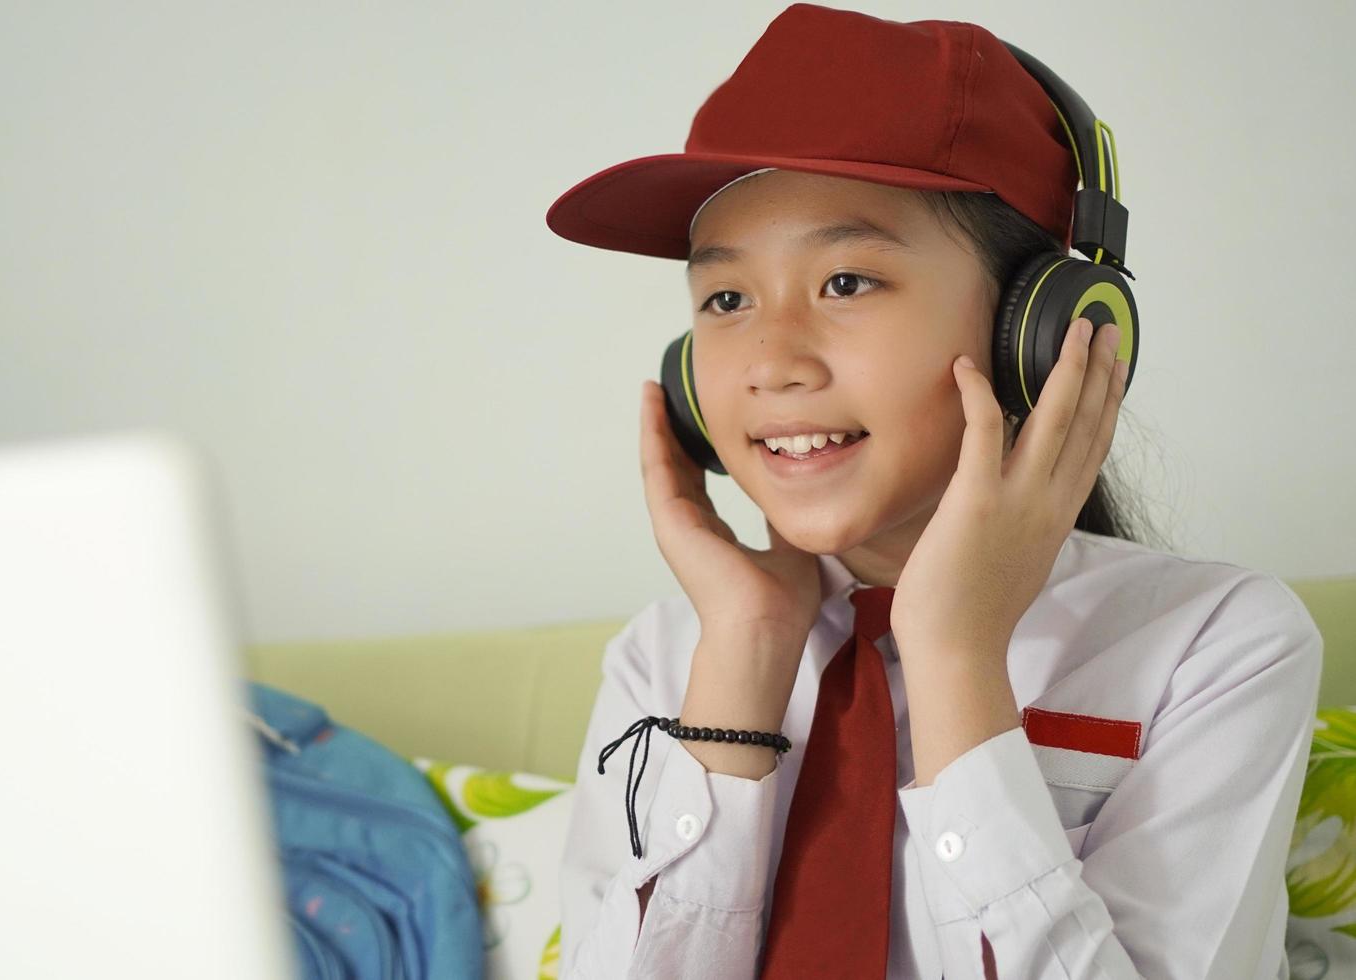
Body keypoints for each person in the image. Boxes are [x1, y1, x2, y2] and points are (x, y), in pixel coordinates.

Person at [542, 5, 1324, 979]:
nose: (768, 363)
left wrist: (955, 656)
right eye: (726, 299)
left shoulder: (1214, 643)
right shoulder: (660, 660)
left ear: (1044, 330)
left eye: (846, 281)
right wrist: (741, 653)